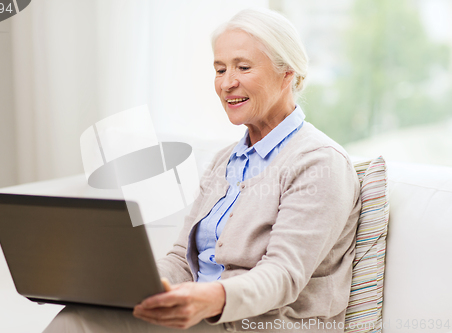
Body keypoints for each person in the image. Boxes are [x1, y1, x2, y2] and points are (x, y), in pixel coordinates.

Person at [43, 7, 361, 333]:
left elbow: (283, 274)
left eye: (243, 67)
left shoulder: (319, 163)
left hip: (260, 324)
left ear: (287, 74)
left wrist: (210, 298)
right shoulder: (225, 160)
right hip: (201, 317)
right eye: (220, 69)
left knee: (79, 324)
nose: (227, 83)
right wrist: (138, 288)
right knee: (77, 314)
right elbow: (183, 258)